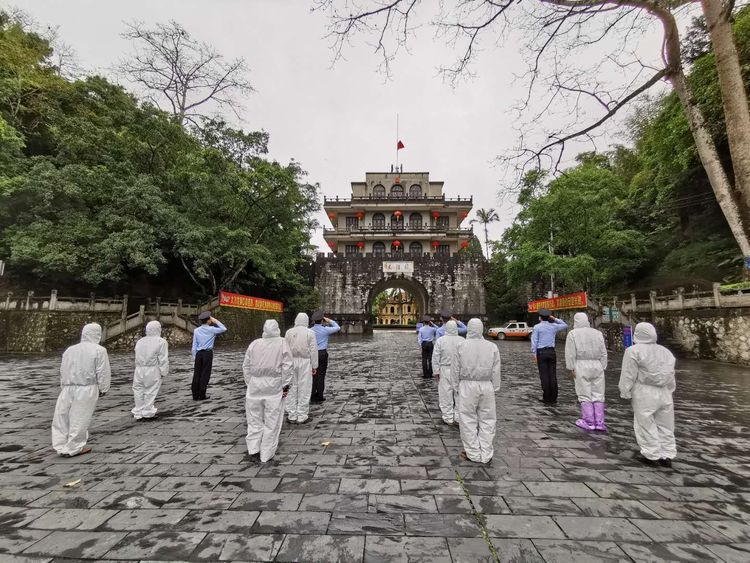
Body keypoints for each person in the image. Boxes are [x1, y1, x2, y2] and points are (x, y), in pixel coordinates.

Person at [618, 322, 677, 468]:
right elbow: (671, 374)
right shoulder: (665, 351)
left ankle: (651, 454)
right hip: (664, 391)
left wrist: (625, 391)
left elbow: (628, 374)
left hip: (644, 390)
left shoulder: (633, 351)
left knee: (645, 423)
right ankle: (667, 454)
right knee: (666, 424)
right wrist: (670, 388)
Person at [51, 323, 111, 457]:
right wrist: (103, 388)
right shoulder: (99, 350)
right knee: (80, 417)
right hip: (87, 387)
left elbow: (63, 370)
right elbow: (102, 371)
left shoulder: (70, 350)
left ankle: (60, 445)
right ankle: (74, 447)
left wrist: (64, 386)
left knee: (62, 417)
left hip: (67, 387)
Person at [243, 319, 294, 463]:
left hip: (255, 386)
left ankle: (253, 450)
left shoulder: (254, 344)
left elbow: (246, 366)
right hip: (274, 385)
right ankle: (266, 454)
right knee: (272, 421)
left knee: (253, 420)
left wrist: (250, 383)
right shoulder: (282, 343)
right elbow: (287, 366)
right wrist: (285, 386)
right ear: (277, 329)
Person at [455, 318, 501, 464]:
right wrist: (495, 387)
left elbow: (455, 369)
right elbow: (496, 369)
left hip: (467, 385)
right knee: (488, 419)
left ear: (468, 328)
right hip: (486, 385)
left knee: (467, 419)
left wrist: (456, 387)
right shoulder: (492, 346)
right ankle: (486, 452)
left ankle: (473, 452)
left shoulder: (461, 346)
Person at [565, 312, 607, 431]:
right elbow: (603, 352)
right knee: (598, 393)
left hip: (581, 364)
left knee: (584, 393)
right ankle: (599, 422)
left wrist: (571, 367)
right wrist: (603, 366)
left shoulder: (573, 334)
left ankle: (589, 421)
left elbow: (570, 353)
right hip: (597, 365)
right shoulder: (597, 333)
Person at [284, 312, 318, 424]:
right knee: (305, 387)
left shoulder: (289, 332)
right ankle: (302, 415)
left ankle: (292, 414)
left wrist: (285, 364)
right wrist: (314, 365)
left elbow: (285, 349)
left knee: (291, 387)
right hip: (305, 361)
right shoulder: (310, 333)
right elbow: (313, 350)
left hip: (291, 362)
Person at [132, 320, 169, 420]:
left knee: (138, 389)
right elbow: (163, 358)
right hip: (152, 368)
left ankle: (138, 410)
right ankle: (148, 411)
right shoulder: (161, 341)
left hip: (139, 369)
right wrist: (163, 371)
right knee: (150, 390)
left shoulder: (140, 341)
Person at [531, 309, 568, 404]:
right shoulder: (554, 326)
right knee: (552, 375)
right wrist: (554, 319)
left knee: (544, 375)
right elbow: (565, 325)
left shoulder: (537, 327)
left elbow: (534, 341)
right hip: (551, 352)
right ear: (549, 317)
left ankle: (547, 398)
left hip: (541, 353)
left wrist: (534, 354)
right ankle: (554, 397)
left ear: (540, 317)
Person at [432, 320, 465, 425]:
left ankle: (448, 417)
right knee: (459, 394)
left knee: (445, 394)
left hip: (445, 369)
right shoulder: (462, 340)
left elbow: (436, 357)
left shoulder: (441, 341)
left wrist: (436, 371)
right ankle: (458, 417)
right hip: (459, 370)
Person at [191, 311, 227, 401]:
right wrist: (216, 321)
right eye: (210, 319)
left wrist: (195, 356)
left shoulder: (196, 330)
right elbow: (224, 328)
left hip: (198, 354)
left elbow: (194, 345)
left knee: (197, 374)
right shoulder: (212, 329)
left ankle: (195, 395)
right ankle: (202, 395)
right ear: (208, 320)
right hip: (207, 353)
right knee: (205, 374)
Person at [310, 311, 340, 403]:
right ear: (322, 320)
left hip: (312, 353)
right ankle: (320, 395)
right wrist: (329, 320)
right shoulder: (325, 329)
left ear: (314, 321)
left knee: (313, 374)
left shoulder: (310, 330)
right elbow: (337, 327)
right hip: (322, 353)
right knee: (321, 374)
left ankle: (312, 394)